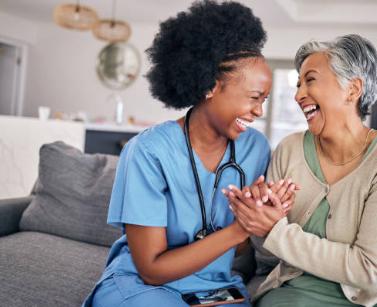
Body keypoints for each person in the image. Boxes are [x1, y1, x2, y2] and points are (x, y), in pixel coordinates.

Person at [81, 1, 296, 306]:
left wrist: (261, 214)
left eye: (264, 99)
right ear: (210, 85)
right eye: (253, 97)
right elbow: (152, 270)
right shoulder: (148, 151)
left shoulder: (255, 148)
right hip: (147, 286)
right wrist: (240, 227)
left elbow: (242, 252)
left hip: (215, 286)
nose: (259, 111)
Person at [225, 34, 377, 307]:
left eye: (310, 80)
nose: (298, 95)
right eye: (298, 84)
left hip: (376, 300)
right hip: (292, 292)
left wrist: (275, 228)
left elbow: (370, 271)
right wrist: (259, 210)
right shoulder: (290, 148)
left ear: (353, 89)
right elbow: (266, 251)